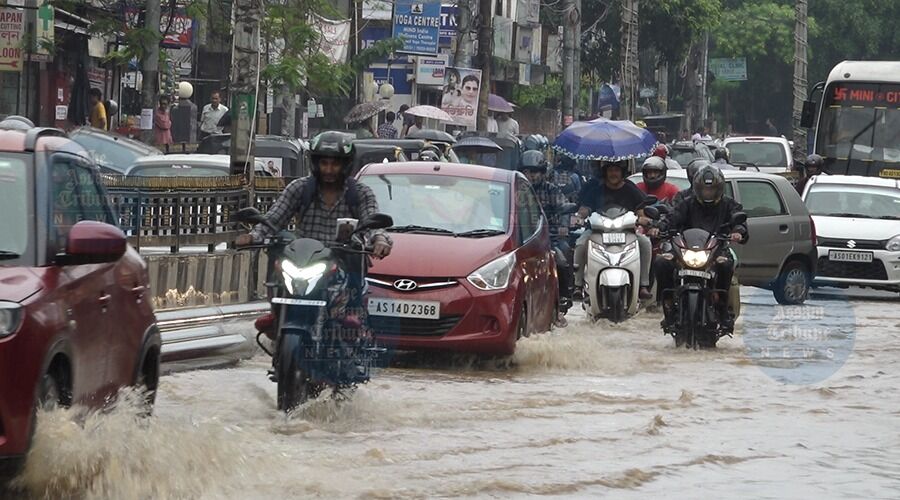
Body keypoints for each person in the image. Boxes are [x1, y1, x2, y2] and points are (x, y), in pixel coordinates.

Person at [236, 132, 393, 327]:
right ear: (315, 163)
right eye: (324, 163)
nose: (329, 170)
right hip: (304, 258)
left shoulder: (360, 193)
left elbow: (372, 220)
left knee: (356, 251)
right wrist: (253, 236)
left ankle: (350, 311)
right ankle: (277, 310)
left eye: (335, 164)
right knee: (279, 243)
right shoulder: (299, 188)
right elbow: (274, 219)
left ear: (346, 165)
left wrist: (379, 240)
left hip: (341, 258)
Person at [655, 165, 748, 332]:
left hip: (717, 249)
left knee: (726, 264)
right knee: (662, 262)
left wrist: (738, 231)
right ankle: (668, 304)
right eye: (705, 189)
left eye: (711, 190)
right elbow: (672, 217)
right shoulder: (686, 203)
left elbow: (739, 221)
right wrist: (660, 227)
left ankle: (722, 308)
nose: (708, 193)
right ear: (697, 189)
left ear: (719, 189)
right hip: (686, 248)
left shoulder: (728, 204)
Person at [574, 160, 654, 300]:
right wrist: (580, 216)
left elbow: (641, 211)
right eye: (610, 170)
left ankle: (643, 285)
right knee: (581, 243)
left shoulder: (631, 189)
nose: (613, 174)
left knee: (645, 243)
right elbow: (584, 208)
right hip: (597, 232)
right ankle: (578, 285)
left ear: (622, 173)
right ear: (605, 173)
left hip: (627, 232)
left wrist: (644, 220)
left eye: (616, 170)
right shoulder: (596, 190)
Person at [520, 151, 573, 322]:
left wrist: (564, 225)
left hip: (550, 239)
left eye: (535, 172)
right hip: (522, 240)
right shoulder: (517, 192)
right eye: (527, 172)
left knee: (562, 261)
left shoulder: (552, 190)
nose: (531, 176)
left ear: (543, 173)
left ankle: (564, 297)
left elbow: (564, 207)